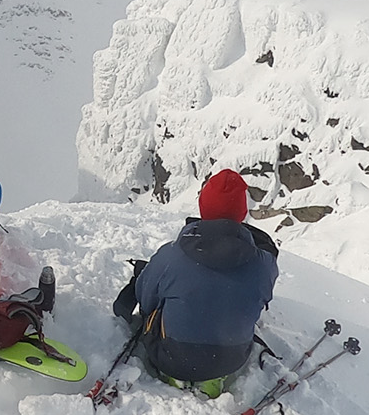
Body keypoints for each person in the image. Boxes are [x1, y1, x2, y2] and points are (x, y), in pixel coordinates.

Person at [112, 168, 278, 394]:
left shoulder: (171, 256)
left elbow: (146, 300)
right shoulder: (265, 264)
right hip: (233, 358)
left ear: (203, 208)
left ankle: (177, 376)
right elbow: (260, 303)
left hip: (171, 358)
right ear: (241, 213)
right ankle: (212, 377)